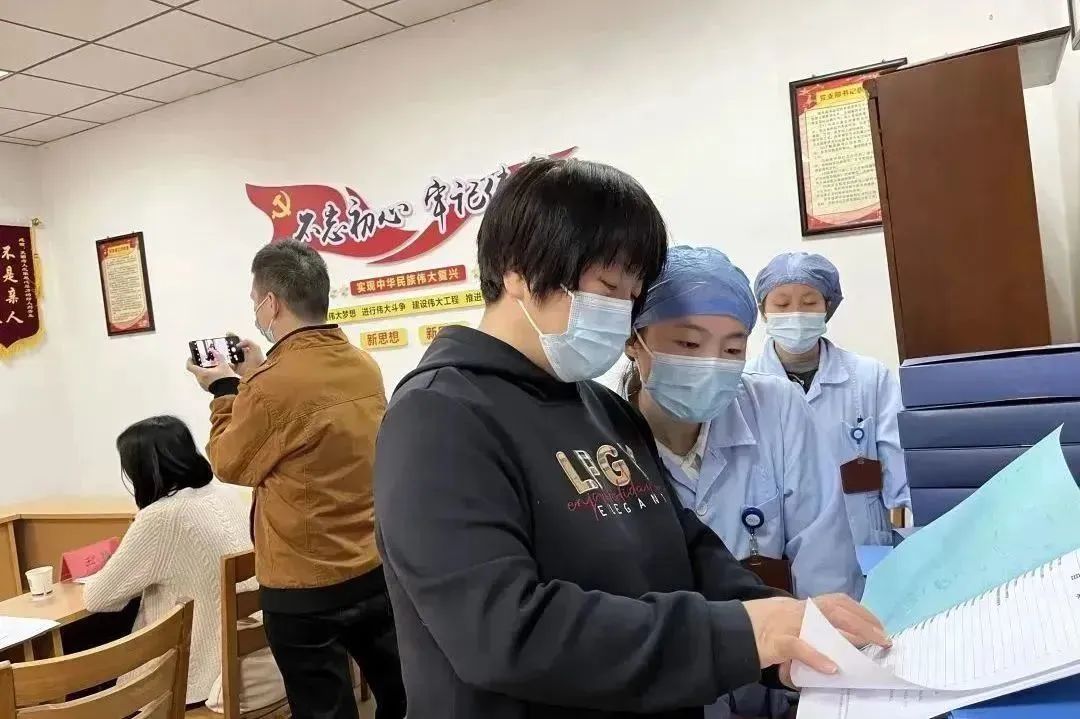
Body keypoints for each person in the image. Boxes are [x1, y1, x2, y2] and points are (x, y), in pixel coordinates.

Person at [374, 158, 888, 719]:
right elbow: (503, 631)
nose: (620, 313)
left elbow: (689, 552)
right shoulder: (440, 416)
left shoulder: (600, 410)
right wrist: (741, 634)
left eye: (632, 294)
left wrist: (785, 627)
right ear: (519, 269)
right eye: (607, 288)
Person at [185, 240, 406, 719]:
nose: (255, 311)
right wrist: (257, 373)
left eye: (255, 301)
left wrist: (223, 389)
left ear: (272, 303)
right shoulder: (362, 365)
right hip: (371, 568)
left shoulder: (270, 388)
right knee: (401, 696)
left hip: (305, 588)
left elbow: (229, 462)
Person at [84, 416, 260, 709]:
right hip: (247, 663)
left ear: (142, 470)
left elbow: (97, 598)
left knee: (88, 644)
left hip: (192, 681)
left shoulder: (161, 518)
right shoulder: (225, 494)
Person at [748, 252, 909, 547]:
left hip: (864, 546)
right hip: (779, 549)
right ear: (763, 311)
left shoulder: (870, 377)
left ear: (828, 307)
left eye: (809, 303)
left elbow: (900, 468)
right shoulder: (744, 387)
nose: (796, 314)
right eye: (782, 304)